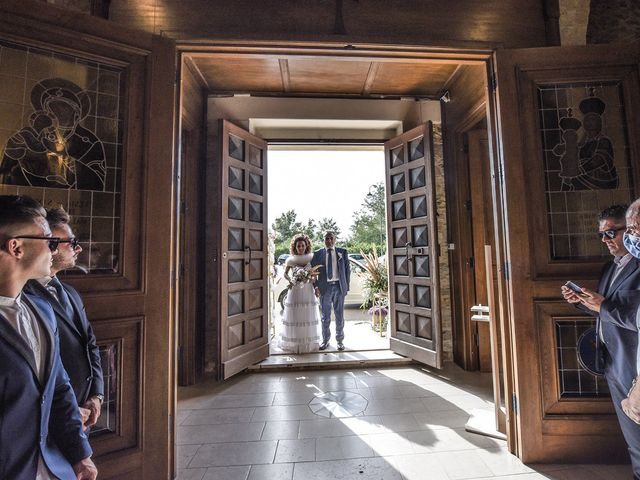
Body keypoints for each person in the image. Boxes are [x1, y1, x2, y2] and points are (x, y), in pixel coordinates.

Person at [0, 195, 97, 480]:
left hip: (54, 466)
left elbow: (57, 386)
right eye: (49, 241)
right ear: (15, 246)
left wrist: (80, 455)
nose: (54, 251)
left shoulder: (41, 310)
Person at [561, 204, 640, 476]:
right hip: (614, 363)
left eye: (612, 233)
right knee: (634, 440)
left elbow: (634, 317)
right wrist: (582, 302)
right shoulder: (611, 267)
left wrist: (603, 306)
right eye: (602, 235)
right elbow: (605, 309)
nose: (606, 240)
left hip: (635, 365)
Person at [24, 206, 104, 429]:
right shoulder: (23, 296)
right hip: (49, 415)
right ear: (49, 244)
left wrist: (97, 394)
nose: (77, 248)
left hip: (84, 411)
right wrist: (65, 408)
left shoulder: (71, 293)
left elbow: (90, 344)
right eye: (70, 241)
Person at [278, 234, 321, 353]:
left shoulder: (311, 258)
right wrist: (291, 279)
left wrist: (312, 279)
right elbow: (285, 274)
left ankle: (308, 343)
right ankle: (295, 342)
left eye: (302, 245)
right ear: (295, 247)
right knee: (296, 315)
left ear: (306, 246)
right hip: (295, 290)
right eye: (298, 246)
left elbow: (315, 274)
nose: (301, 248)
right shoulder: (291, 260)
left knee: (307, 315)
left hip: (307, 290)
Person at [312, 231, 350, 351]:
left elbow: (347, 270)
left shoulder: (342, 252)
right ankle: (325, 341)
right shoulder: (318, 254)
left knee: (339, 316)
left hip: (339, 287)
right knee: (325, 317)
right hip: (325, 288)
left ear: (335, 239)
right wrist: (316, 287)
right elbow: (313, 272)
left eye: (331, 238)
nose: (329, 241)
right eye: (326, 238)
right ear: (323, 240)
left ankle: (340, 341)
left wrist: (346, 287)